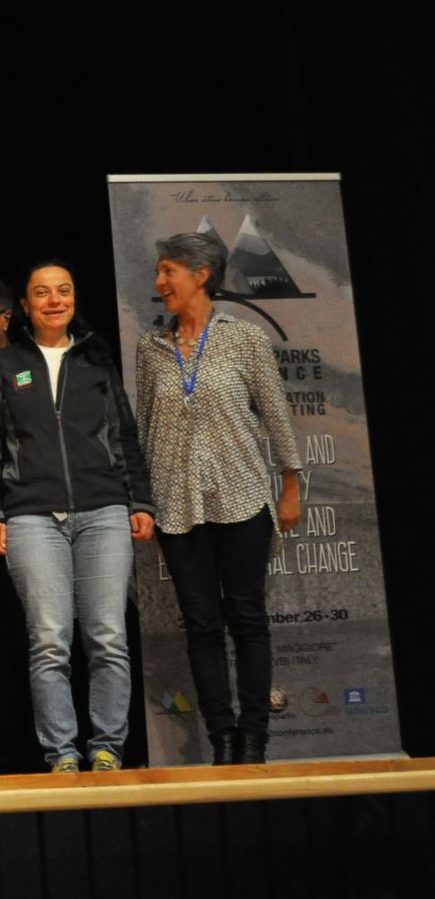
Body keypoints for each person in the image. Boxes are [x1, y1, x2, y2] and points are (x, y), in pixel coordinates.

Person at [0, 262, 156, 773]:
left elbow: (124, 435)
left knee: (108, 637)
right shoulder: (3, 365)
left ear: (74, 299)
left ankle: (107, 748)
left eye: (64, 291)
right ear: (24, 306)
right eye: (42, 293)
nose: (54, 300)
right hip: (31, 516)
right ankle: (62, 754)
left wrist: (139, 502)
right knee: (50, 640)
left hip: (103, 512)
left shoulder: (96, 358)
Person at [136, 233, 302, 766]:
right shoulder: (151, 347)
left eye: (168, 271)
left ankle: (254, 737)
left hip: (242, 497)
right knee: (202, 625)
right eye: (160, 272)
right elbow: (143, 428)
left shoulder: (245, 338)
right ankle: (222, 737)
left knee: (247, 618)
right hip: (176, 504)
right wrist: (141, 499)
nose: (160, 282)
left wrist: (291, 485)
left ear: (200, 274)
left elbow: (275, 414)